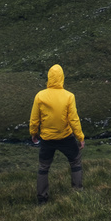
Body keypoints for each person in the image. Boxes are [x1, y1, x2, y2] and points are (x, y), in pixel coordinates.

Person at [28, 63, 85, 203]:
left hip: (47, 139)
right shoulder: (69, 96)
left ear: (49, 77)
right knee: (75, 162)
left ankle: (42, 198)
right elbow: (73, 119)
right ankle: (77, 193)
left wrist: (33, 133)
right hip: (66, 137)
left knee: (43, 167)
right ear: (62, 78)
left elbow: (35, 119)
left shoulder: (40, 96)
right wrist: (80, 137)